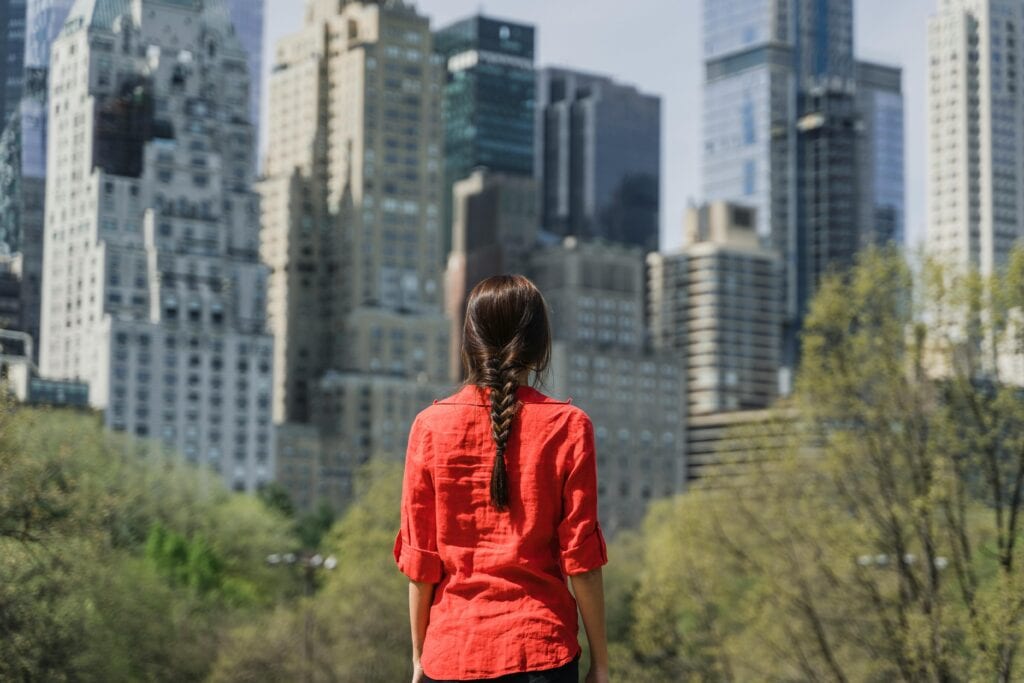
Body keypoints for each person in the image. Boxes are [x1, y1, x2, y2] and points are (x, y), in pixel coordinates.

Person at [393, 274, 611, 683]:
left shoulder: (429, 427)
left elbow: (421, 563)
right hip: (541, 652)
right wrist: (601, 662)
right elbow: (582, 563)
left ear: (469, 343)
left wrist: (419, 657)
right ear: (540, 346)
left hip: (452, 652)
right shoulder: (569, 427)